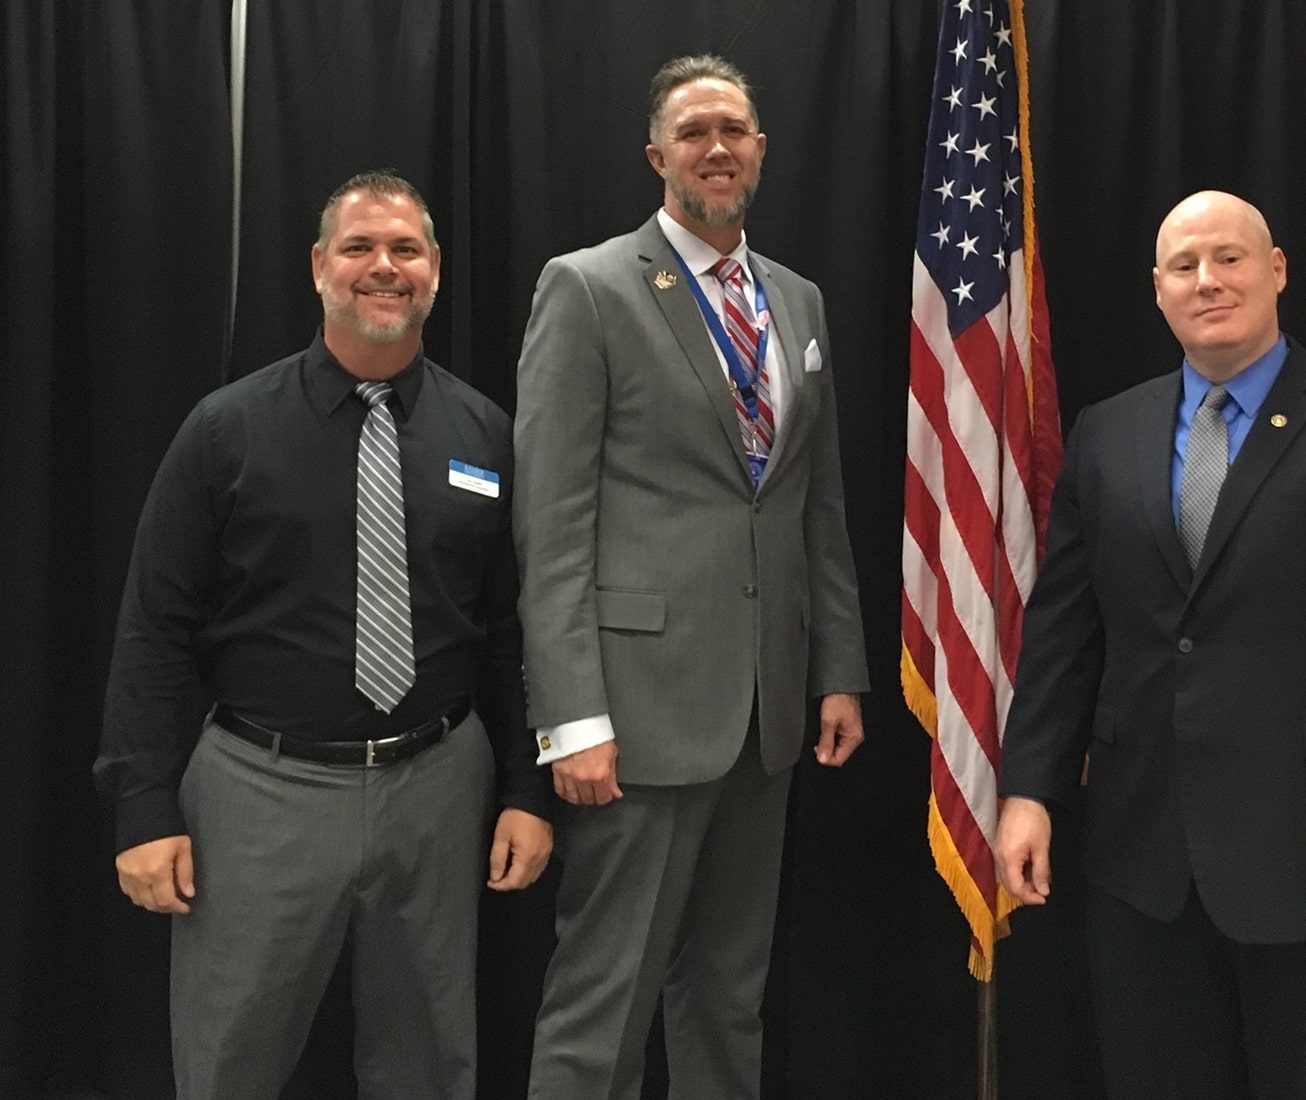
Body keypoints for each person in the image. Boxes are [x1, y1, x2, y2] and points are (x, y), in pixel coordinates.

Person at [996, 190, 1306, 1098]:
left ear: (1277, 271)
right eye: (1184, 266)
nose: (1208, 280)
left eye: (1229, 258)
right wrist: (1029, 788)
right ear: (1156, 290)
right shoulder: (1109, 433)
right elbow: (1066, 633)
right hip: (1146, 871)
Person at [94, 171, 553, 1100]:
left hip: (438, 787)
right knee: (232, 1060)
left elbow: (512, 632)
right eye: (359, 248)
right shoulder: (226, 432)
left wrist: (525, 789)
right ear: (317, 268)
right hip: (261, 792)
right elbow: (152, 628)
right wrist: (142, 807)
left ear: (434, 272)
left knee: (427, 1065)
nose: (383, 267)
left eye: (406, 250)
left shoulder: (489, 435)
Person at [512, 54, 870, 1099]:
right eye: (695, 131)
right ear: (656, 154)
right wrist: (570, 715)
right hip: (635, 715)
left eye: (735, 130)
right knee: (605, 993)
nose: (717, 148)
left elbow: (816, 503)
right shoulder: (586, 287)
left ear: (760, 149)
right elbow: (552, 522)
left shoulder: (794, 301)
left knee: (728, 991)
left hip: (764, 712)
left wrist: (835, 666)